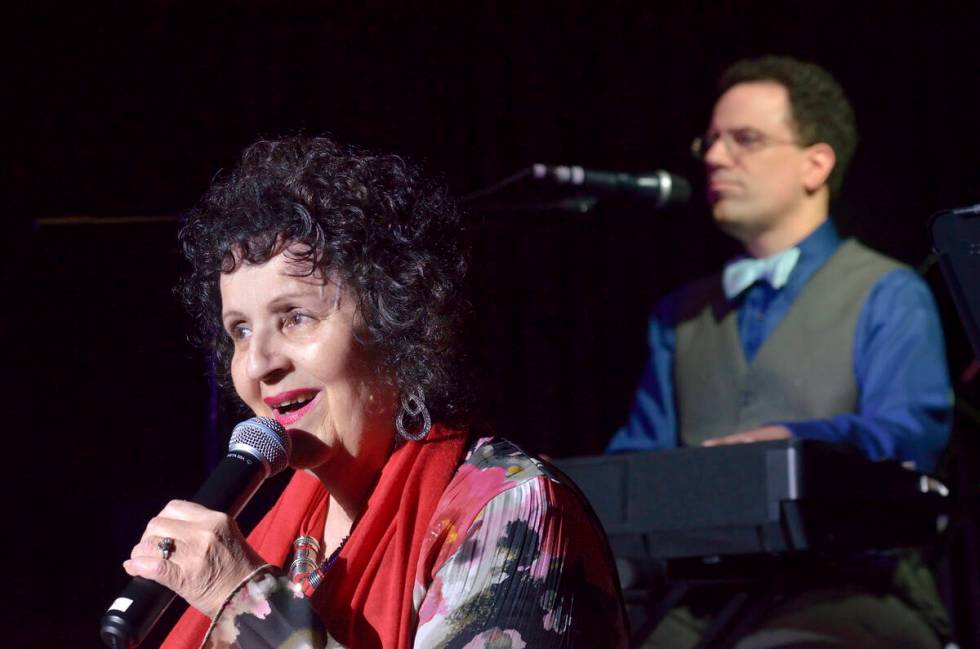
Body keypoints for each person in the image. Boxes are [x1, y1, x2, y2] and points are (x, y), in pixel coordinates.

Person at [122, 136, 628, 648]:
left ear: (394, 326)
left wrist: (245, 602)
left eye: (295, 318)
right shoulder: (293, 530)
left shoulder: (513, 510)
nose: (259, 364)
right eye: (241, 331)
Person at [607, 57, 953, 647]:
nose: (715, 158)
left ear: (815, 164)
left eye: (744, 140)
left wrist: (791, 444)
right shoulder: (679, 314)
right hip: (703, 599)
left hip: (854, 590)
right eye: (711, 140)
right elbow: (636, 464)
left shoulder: (888, 292)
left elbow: (909, 436)